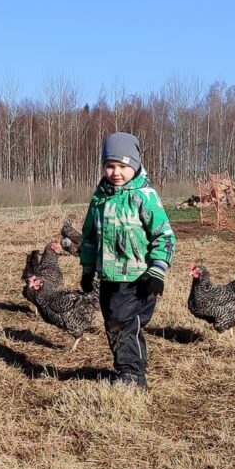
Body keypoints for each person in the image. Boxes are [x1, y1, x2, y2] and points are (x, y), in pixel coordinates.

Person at [78, 132, 175, 389]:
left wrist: (157, 270)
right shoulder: (99, 199)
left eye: (123, 166)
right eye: (110, 166)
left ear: (134, 165)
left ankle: (132, 377)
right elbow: (88, 237)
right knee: (114, 325)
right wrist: (88, 269)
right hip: (109, 277)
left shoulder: (145, 197)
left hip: (138, 278)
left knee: (125, 325)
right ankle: (127, 369)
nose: (116, 172)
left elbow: (164, 236)